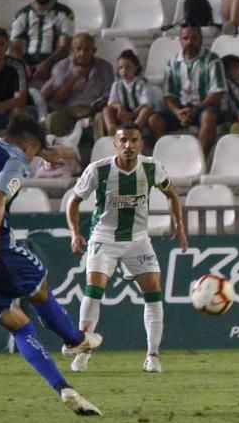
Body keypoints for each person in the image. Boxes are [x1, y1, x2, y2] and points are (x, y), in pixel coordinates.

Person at [0, 115, 102, 415]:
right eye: (35, 151)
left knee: (20, 326)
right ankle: (74, 340)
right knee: (39, 287)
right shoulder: (16, 161)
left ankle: (64, 387)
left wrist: (42, 150)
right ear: (28, 144)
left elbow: (11, 153)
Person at [67, 122, 187, 374]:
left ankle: (153, 355)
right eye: (123, 141)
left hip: (137, 239)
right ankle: (83, 351)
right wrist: (75, 233)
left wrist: (180, 226)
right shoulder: (98, 170)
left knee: (153, 289)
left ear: (141, 144)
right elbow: (73, 201)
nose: (128, 146)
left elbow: (172, 195)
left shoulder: (152, 167)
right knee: (94, 288)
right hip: (104, 237)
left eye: (134, 140)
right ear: (115, 144)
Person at [149, 24, 227, 155]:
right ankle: (169, 157)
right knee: (154, 120)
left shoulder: (212, 60)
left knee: (209, 117)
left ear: (201, 40)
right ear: (180, 40)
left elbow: (218, 93)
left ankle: (198, 160)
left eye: (194, 38)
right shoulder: (173, 62)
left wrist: (196, 110)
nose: (190, 42)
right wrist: (177, 111)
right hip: (181, 109)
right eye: (185, 38)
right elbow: (168, 95)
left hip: (204, 107)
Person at [40, 32, 113, 137]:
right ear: (72, 51)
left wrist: (93, 109)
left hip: (95, 111)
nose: (82, 53)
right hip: (68, 111)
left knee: (102, 118)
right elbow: (56, 100)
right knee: (51, 120)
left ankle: (102, 151)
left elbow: (109, 96)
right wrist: (73, 78)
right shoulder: (62, 67)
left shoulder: (105, 67)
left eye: (87, 49)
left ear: (94, 51)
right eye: (78, 49)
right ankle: (58, 152)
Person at [9, 0, 72, 82]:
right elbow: (15, 47)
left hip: (55, 62)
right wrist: (24, 65)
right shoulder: (22, 14)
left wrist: (46, 64)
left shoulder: (64, 13)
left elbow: (65, 47)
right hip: (27, 61)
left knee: (59, 72)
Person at [103, 50, 153, 133]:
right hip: (123, 114)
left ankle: (134, 130)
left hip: (137, 113)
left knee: (147, 110)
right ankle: (112, 130)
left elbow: (146, 103)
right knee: (106, 109)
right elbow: (111, 103)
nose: (124, 71)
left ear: (136, 67)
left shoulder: (142, 83)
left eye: (128, 67)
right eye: (121, 68)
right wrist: (119, 107)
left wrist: (133, 113)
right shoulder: (116, 84)